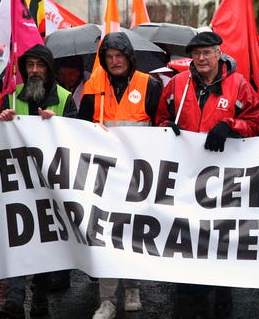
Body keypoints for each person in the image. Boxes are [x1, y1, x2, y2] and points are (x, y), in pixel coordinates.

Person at [156, 31, 259, 319]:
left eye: (207, 52)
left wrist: (231, 126)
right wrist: (168, 128)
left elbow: (255, 123)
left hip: (224, 182)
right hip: (185, 181)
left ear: (219, 53)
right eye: (196, 53)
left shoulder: (239, 85)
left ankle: (223, 295)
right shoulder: (178, 84)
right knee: (187, 240)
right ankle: (189, 299)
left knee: (220, 240)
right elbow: (161, 120)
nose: (201, 58)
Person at [78, 32, 162, 319]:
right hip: (103, 175)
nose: (114, 61)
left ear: (129, 57)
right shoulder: (93, 86)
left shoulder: (149, 84)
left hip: (139, 175)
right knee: (105, 235)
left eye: (119, 56)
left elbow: (161, 124)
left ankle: (132, 288)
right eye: (109, 57)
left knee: (134, 233)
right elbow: (79, 127)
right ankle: (106, 300)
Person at [0, 44, 77, 319]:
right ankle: (15, 299)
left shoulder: (64, 99)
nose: (34, 71)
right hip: (16, 183)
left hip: (51, 185)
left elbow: (78, 138)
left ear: (49, 69)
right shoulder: (12, 98)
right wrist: (1, 120)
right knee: (16, 238)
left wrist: (57, 125)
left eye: (40, 66)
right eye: (29, 66)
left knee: (44, 243)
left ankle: (40, 300)